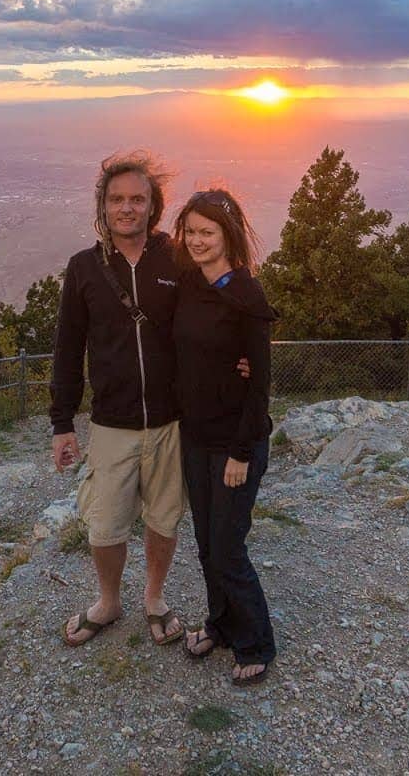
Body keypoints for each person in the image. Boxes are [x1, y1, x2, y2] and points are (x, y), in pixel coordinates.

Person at [49, 150, 189, 648]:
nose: (127, 208)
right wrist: (62, 422)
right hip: (111, 423)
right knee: (105, 526)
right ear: (103, 206)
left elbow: (206, 328)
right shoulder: (84, 268)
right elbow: (67, 348)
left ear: (154, 206)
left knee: (163, 517)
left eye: (138, 199)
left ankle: (154, 598)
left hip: (172, 421)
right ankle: (109, 602)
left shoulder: (177, 258)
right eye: (117, 199)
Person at [172, 187, 278, 686]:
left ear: (227, 235)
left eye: (206, 232)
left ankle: (255, 642)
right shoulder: (188, 286)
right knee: (205, 543)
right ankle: (219, 623)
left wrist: (241, 451)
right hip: (195, 438)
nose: (196, 240)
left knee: (229, 546)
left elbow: (259, 387)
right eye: (190, 231)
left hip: (237, 442)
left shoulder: (247, 298)